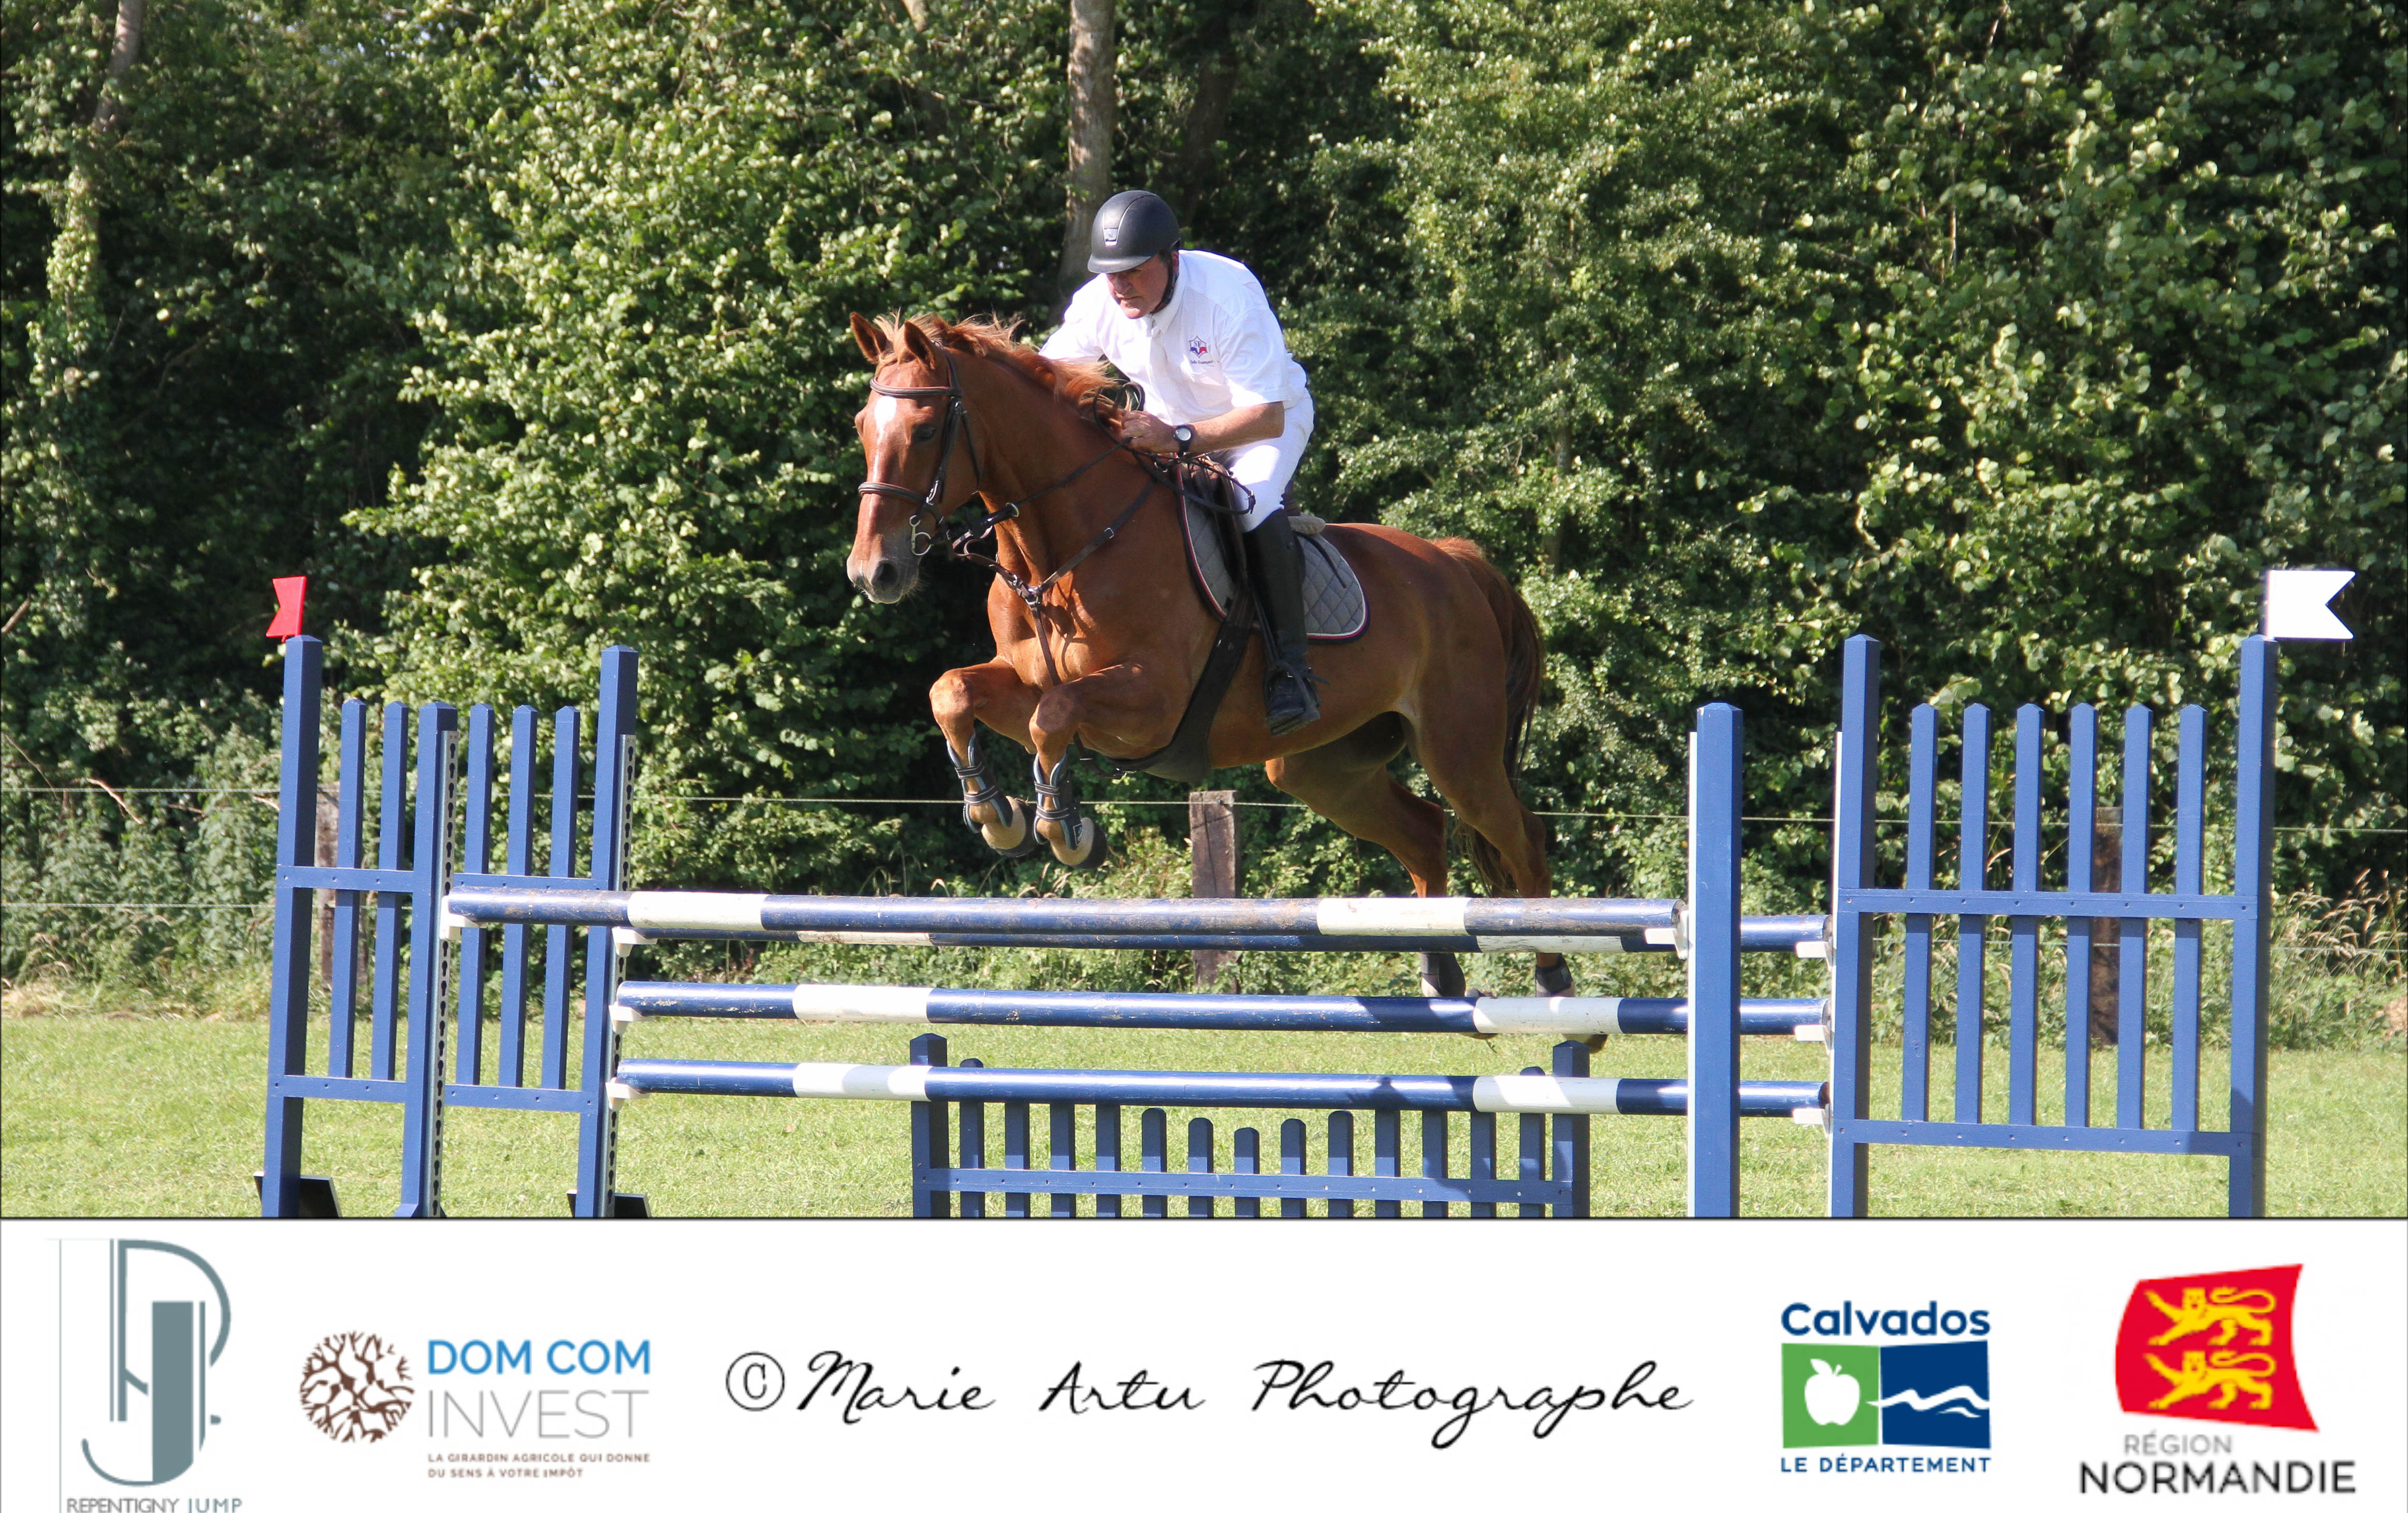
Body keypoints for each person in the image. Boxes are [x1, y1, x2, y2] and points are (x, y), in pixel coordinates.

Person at [1042, 190, 1322, 736]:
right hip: (1167, 432)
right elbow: (1043, 376)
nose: (1120, 286)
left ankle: (1292, 671)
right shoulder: (1099, 303)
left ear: (1172, 258)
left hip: (1261, 426)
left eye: (1133, 271)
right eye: (1111, 273)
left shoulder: (1227, 296)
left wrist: (1179, 438)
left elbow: (1265, 416)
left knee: (1248, 503)